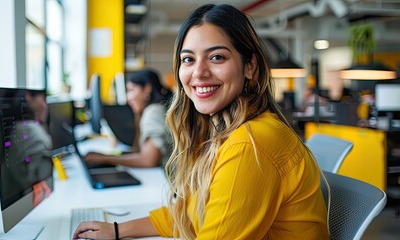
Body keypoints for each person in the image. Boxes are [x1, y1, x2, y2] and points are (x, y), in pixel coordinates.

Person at [73, 4, 329, 239]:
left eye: (217, 57)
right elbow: (190, 213)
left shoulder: (250, 144)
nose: (199, 73)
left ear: (249, 66)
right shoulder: (224, 133)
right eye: (188, 59)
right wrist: (118, 229)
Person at [84, 68, 173, 168]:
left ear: (147, 88)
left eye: (131, 90)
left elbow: (148, 160)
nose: (127, 98)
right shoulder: (158, 108)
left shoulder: (153, 111)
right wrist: (107, 156)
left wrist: (105, 159)